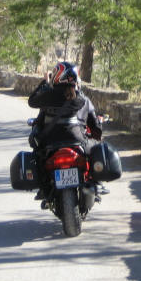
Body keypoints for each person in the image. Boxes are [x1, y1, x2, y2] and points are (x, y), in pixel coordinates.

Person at [27, 61, 104, 202]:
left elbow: (32, 101)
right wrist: (97, 136)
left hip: (50, 143)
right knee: (94, 150)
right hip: (76, 140)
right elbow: (95, 127)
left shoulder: (48, 96)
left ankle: (44, 188)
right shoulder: (82, 99)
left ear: (57, 75)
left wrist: (44, 82)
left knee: (38, 155)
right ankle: (96, 183)